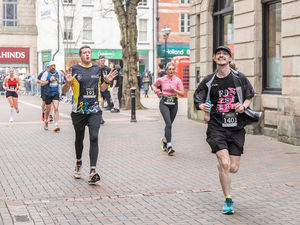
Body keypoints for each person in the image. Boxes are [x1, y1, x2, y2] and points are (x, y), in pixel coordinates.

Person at [193, 45, 260, 214]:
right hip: (217, 126)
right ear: (215, 59)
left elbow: (249, 96)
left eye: (225, 54)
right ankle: (228, 200)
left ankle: (223, 168)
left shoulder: (239, 78)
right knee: (224, 162)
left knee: (233, 168)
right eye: (218, 54)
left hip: (236, 127)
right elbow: (197, 98)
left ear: (230, 59)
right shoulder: (209, 80)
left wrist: (243, 107)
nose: (221, 56)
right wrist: (201, 105)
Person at [62, 45, 118, 185]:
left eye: (89, 52)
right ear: (80, 56)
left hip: (94, 110)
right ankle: (78, 162)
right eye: (84, 53)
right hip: (79, 111)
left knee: (94, 137)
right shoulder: (74, 69)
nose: (87, 54)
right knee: (79, 138)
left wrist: (106, 81)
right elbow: (63, 91)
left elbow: (101, 88)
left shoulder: (97, 69)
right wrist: (67, 83)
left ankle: (92, 171)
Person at [152, 62, 184, 156]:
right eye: (169, 69)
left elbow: (182, 93)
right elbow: (154, 85)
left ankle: (165, 140)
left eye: (172, 69)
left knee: (169, 125)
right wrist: (157, 91)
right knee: (168, 123)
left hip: (174, 103)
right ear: (166, 70)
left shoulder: (178, 80)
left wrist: (174, 90)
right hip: (164, 103)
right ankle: (169, 146)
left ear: (174, 70)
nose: (171, 71)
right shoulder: (161, 79)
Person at [40, 61, 61, 132]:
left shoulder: (57, 73)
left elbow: (60, 81)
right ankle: (46, 121)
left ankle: (56, 125)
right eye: (51, 66)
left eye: (54, 66)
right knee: (48, 110)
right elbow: (42, 84)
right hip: (48, 93)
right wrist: (49, 81)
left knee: (56, 108)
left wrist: (59, 81)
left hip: (55, 93)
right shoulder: (46, 73)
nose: (53, 67)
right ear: (49, 67)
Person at [98, 55, 113, 123]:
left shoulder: (108, 69)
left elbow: (111, 77)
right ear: (99, 61)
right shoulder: (96, 69)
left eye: (104, 61)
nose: (103, 62)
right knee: (101, 102)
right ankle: (100, 117)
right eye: (101, 61)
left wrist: (110, 83)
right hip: (99, 87)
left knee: (104, 103)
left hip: (106, 87)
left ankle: (100, 115)